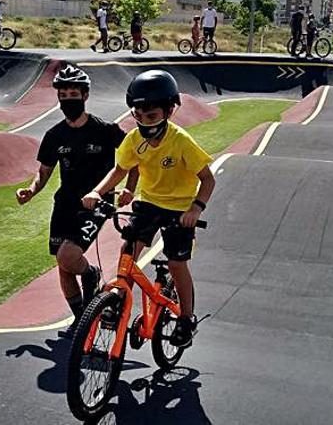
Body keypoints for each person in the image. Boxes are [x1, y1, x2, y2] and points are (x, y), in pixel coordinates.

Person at [82, 70, 216, 349]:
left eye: (151, 116)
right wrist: (98, 191)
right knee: (128, 249)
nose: (144, 122)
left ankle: (186, 319)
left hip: (179, 208)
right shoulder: (133, 139)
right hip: (149, 203)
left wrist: (196, 208)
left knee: (177, 263)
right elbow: (120, 170)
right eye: (138, 115)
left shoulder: (180, 141)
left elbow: (207, 179)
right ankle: (118, 300)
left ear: (169, 111)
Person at [16, 65, 135, 337]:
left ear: (85, 95)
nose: (68, 99)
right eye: (64, 94)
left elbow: (133, 159)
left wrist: (129, 188)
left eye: (74, 93)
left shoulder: (106, 130)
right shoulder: (54, 135)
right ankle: (82, 320)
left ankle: (91, 272)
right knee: (64, 266)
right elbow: (43, 173)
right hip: (65, 205)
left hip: (96, 204)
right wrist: (31, 191)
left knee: (69, 256)